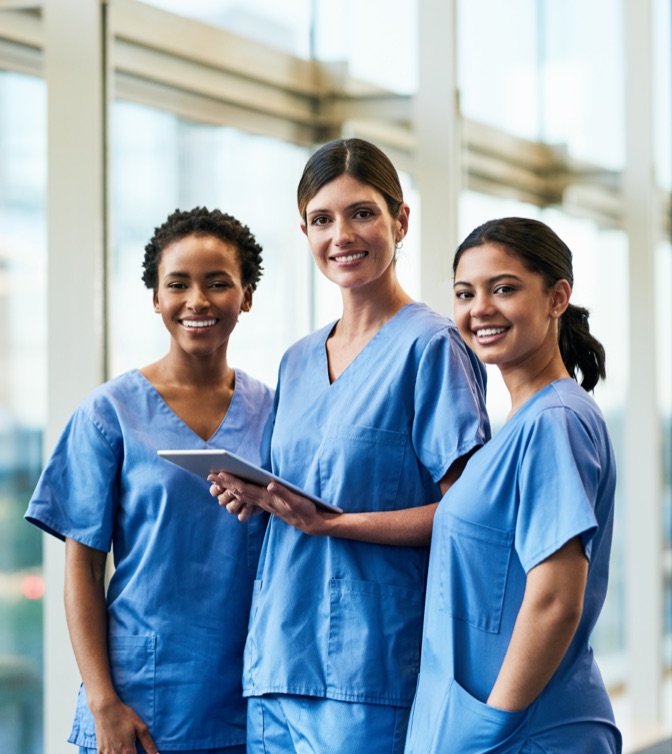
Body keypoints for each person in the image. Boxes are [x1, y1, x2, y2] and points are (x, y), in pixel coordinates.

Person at [208, 137, 490, 753]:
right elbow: (308, 488)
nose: (342, 234)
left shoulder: (433, 348)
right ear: (305, 232)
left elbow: (471, 518)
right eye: (322, 219)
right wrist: (258, 497)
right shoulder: (297, 360)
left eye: (362, 213)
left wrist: (334, 524)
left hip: (371, 668)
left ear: (400, 220)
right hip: (278, 663)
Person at [25, 206, 275, 754]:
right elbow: (84, 569)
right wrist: (102, 702)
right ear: (156, 299)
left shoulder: (274, 411)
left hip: (253, 699)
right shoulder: (110, 413)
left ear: (247, 295)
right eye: (178, 285)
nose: (197, 301)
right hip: (141, 705)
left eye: (218, 284)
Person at [404, 217, 621, 753]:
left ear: (556, 298)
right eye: (465, 292)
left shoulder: (556, 421)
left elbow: (555, 599)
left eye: (503, 288)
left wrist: (489, 728)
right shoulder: (522, 426)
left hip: (520, 731)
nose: (480, 308)